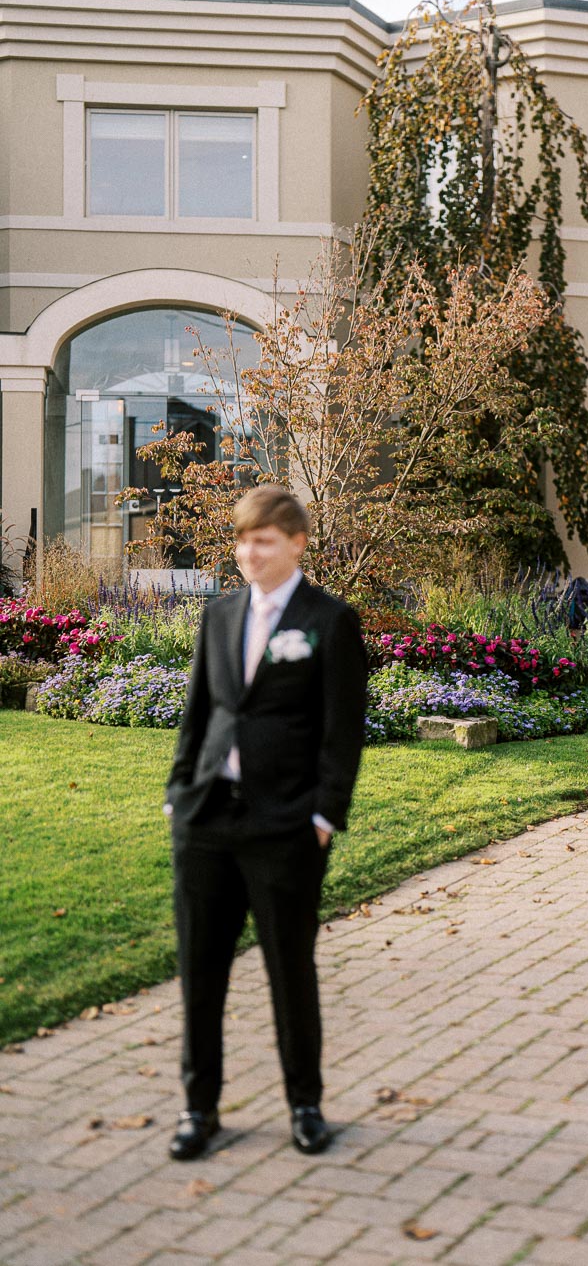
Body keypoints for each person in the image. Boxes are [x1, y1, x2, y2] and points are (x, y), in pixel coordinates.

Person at [163, 486, 367, 1160]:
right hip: (207, 822)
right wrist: (177, 794)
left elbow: (342, 734)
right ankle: (200, 1109)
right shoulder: (220, 614)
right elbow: (200, 712)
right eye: (243, 540)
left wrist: (322, 815)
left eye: (265, 540)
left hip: (286, 827)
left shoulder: (328, 621)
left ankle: (305, 1105)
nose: (250, 552)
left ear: (296, 543)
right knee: (201, 972)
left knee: (289, 970)